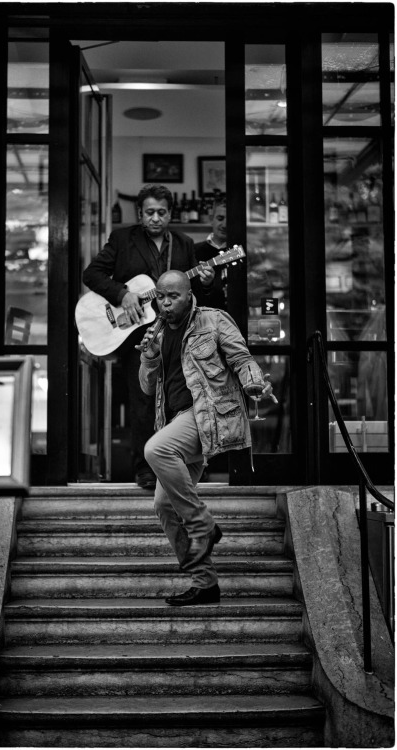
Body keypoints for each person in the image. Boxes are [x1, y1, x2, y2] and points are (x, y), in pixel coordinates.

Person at [138, 270, 273, 606]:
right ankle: (206, 583)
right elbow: (146, 386)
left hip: (206, 416)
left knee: (155, 449)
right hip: (175, 421)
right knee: (164, 505)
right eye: (161, 297)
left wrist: (254, 382)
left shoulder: (213, 321)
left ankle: (204, 528)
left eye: (173, 296)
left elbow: (242, 359)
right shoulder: (155, 332)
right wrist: (150, 356)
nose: (166, 303)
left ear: (188, 294)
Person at [83, 184, 216, 490]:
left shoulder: (183, 244)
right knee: (142, 400)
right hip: (138, 335)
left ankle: (184, 464)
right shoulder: (122, 239)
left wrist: (206, 282)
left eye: (162, 212)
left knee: (182, 398)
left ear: (170, 213)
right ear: (140, 213)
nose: (156, 218)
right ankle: (144, 468)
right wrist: (123, 293)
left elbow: (192, 293)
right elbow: (91, 274)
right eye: (150, 212)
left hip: (178, 334)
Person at [194, 197, 228, 310]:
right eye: (220, 218)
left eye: (230, 219)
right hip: (203, 320)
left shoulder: (242, 252)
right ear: (211, 219)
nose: (225, 224)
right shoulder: (193, 250)